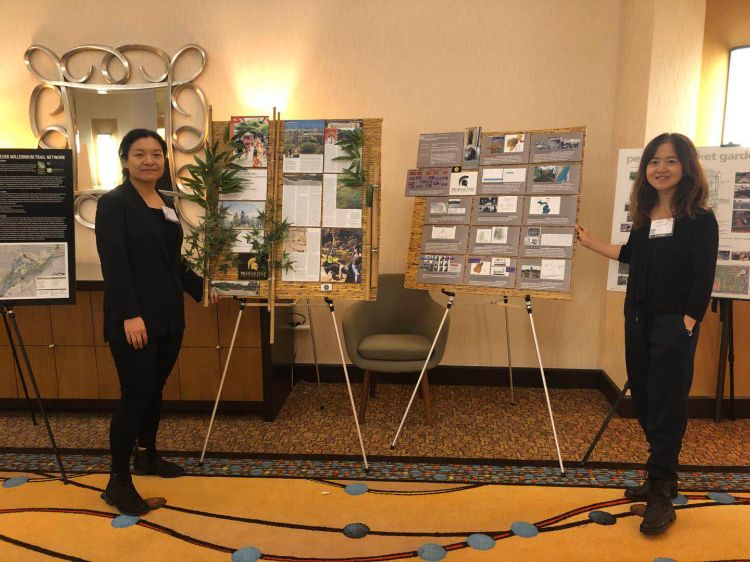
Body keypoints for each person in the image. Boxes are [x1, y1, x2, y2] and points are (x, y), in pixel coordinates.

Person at [576, 133, 718, 535]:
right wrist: (589, 243)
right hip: (637, 319)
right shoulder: (646, 214)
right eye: (654, 162)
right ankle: (661, 476)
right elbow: (630, 254)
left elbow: (703, 275)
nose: (661, 168)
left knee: (668, 402)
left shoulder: (700, 219)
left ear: (687, 167)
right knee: (645, 396)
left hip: (676, 323)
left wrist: (689, 320)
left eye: (670, 161)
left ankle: (661, 492)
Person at [95, 129, 219, 516]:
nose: (149, 160)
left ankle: (147, 456)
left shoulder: (164, 203)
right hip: (134, 320)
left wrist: (201, 288)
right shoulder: (115, 204)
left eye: (156, 154)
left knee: (154, 390)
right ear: (125, 160)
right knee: (134, 396)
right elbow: (115, 265)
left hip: (168, 318)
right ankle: (117, 481)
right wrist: (129, 314)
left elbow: (172, 262)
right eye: (139, 154)